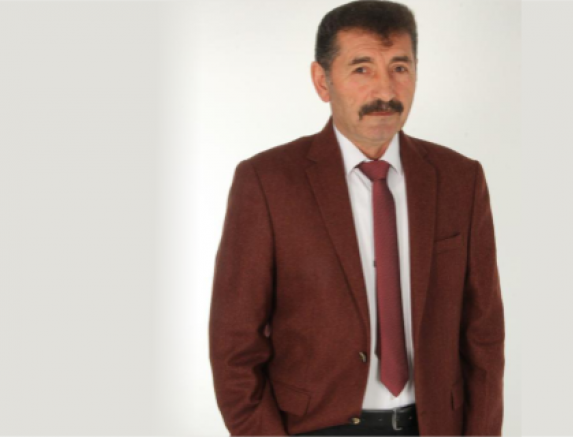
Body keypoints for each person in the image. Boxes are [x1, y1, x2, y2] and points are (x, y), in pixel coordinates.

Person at [208, 1, 504, 435]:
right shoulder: (267, 182)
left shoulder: (461, 179)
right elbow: (234, 345)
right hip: (315, 427)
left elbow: (484, 337)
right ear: (322, 81)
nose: (385, 89)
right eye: (362, 69)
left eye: (400, 67)